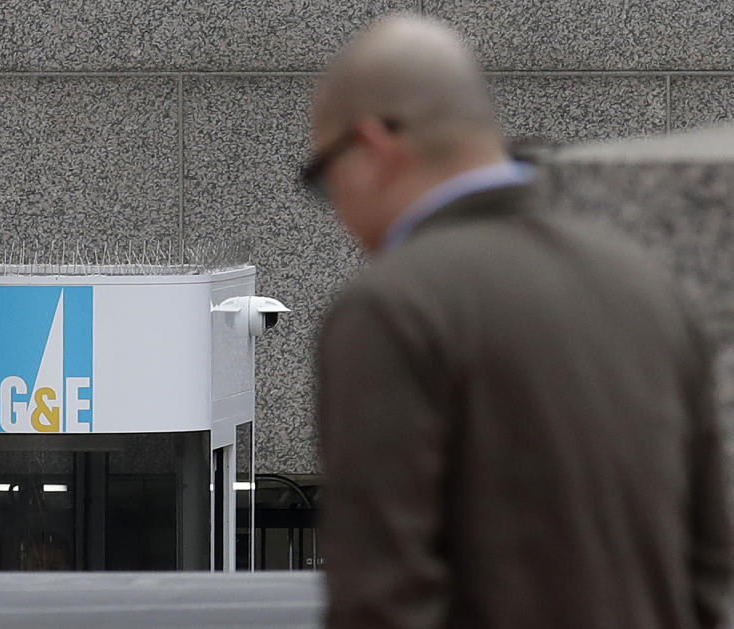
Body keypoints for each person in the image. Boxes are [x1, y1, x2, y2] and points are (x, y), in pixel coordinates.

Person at [310, 15, 734, 629]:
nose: (339, 209)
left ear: (372, 148)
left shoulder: (393, 309)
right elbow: (711, 562)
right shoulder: (646, 286)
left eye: (324, 176)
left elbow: (379, 600)